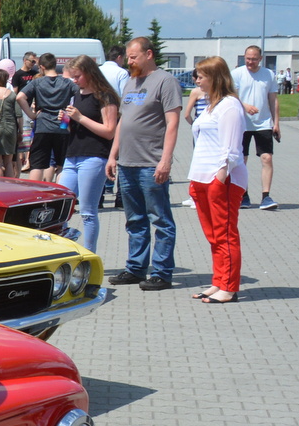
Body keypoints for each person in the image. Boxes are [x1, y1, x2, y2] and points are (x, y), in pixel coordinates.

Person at [106, 37, 181, 291]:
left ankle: (161, 272)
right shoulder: (131, 82)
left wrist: (165, 160)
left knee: (160, 220)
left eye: (134, 57)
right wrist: (113, 155)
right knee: (134, 220)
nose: (129, 61)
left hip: (151, 163)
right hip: (127, 163)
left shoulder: (165, 82)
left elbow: (172, 123)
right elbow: (122, 122)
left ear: (149, 54)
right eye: (128, 57)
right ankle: (136, 268)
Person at [185, 57, 246, 303]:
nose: (197, 81)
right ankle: (219, 281)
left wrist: (220, 178)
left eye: (201, 77)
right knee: (213, 235)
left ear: (215, 77)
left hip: (222, 178)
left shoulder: (230, 105)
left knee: (225, 233)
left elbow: (232, 149)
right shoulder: (211, 105)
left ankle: (228, 287)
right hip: (202, 176)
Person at [56, 56, 120, 252]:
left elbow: (109, 131)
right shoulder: (77, 94)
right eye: (73, 77)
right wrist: (67, 121)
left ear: (90, 73)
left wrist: (80, 117)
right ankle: (64, 250)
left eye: (78, 76)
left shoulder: (105, 96)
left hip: (94, 156)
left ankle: (90, 254)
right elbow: (74, 128)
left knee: (87, 211)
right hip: (72, 155)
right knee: (61, 207)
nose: (75, 81)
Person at [233, 45, 279, 209]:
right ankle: (243, 195)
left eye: (253, 59)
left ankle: (266, 196)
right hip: (242, 123)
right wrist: (244, 106)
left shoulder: (269, 74)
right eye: (247, 58)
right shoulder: (237, 74)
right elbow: (231, 97)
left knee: (267, 158)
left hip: (263, 123)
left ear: (260, 59)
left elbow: (273, 100)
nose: (250, 62)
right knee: (242, 160)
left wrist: (276, 123)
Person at [18, 52, 74, 182]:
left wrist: (32, 115)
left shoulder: (37, 82)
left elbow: (20, 97)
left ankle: (35, 191)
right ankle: (60, 191)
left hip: (42, 125)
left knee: (37, 164)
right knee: (61, 165)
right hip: (62, 125)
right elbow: (80, 93)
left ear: (42, 67)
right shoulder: (67, 82)